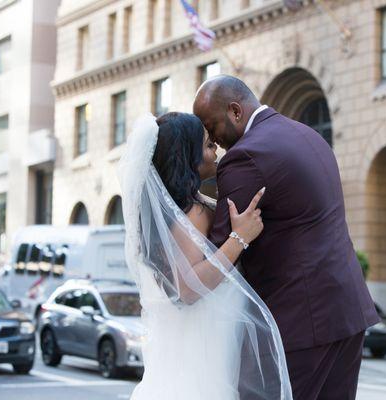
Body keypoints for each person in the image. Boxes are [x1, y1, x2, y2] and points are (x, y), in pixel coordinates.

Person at [193, 75, 379, 400]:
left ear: (235, 111)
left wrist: (183, 207)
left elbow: (218, 248)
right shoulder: (308, 135)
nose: (212, 139)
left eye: (211, 126)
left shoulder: (245, 156)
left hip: (299, 321)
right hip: (347, 311)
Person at [119, 112, 292, 399]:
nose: (216, 152)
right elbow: (187, 288)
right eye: (209, 146)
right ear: (187, 156)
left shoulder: (177, 211)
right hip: (204, 348)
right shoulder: (193, 214)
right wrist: (239, 238)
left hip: (187, 348)